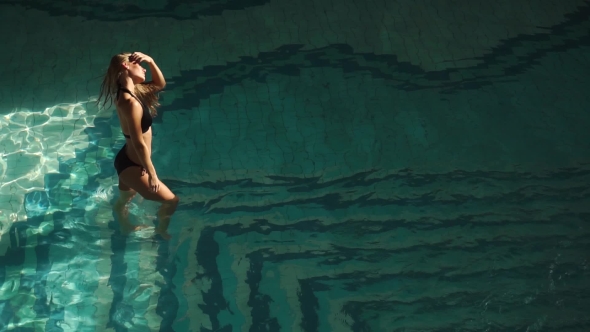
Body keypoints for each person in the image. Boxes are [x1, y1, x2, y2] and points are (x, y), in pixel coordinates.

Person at [97, 52, 179, 240]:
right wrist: (152, 174)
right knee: (171, 201)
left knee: (125, 199)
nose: (143, 68)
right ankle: (160, 231)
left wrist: (150, 60)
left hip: (127, 161)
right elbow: (138, 142)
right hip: (134, 166)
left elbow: (160, 85)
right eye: (140, 65)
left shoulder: (132, 92)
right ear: (126, 66)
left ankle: (124, 224)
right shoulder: (130, 102)